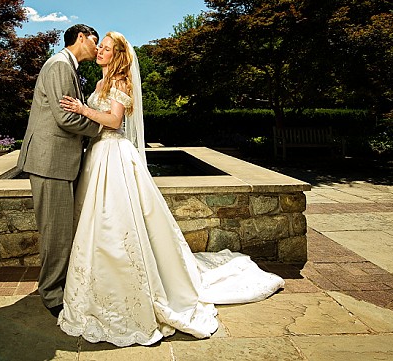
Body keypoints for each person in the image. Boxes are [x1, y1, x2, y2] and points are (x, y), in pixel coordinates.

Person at [57, 31, 285, 347]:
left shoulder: (121, 82)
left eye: (106, 48)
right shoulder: (98, 84)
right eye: (100, 47)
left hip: (114, 155)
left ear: (118, 55)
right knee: (96, 223)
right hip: (96, 156)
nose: (100, 51)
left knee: (117, 222)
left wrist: (82, 110)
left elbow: (113, 121)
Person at [17, 24, 104, 318]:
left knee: (62, 229)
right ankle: (52, 295)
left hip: (58, 160)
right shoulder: (59, 66)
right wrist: (101, 128)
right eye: (95, 40)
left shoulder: (68, 66)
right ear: (81, 38)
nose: (97, 46)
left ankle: (59, 284)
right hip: (50, 160)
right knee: (56, 231)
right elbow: (66, 117)